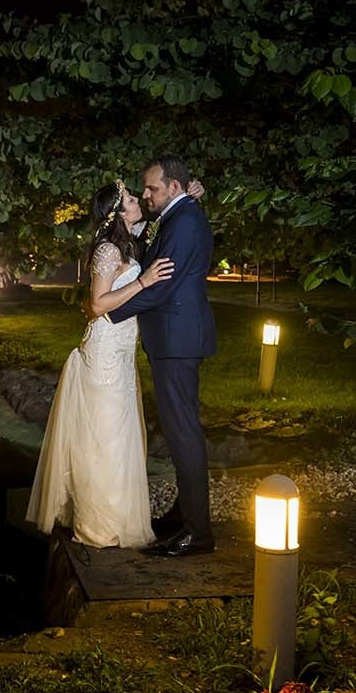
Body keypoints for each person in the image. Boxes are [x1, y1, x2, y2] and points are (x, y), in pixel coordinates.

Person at [25, 181, 175, 548]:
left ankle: (121, 523)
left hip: (121, 356)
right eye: (128, 199)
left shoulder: (127, 241)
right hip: (104, 354)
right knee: (104, 442)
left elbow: (153, 225)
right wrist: (143, 282)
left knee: (121, 440)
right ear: (116, 214)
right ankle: (97, 529)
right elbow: (96, 305)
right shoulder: (108, 250)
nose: (137, 199)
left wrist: (190, 196)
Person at [107, 156, 218, 557]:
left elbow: (163, 284)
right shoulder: (178, 215)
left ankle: (197, 533)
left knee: (184, 435)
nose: (147, 194)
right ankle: (185, 517)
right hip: (173, 338)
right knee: (179, 434)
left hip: (177, 340)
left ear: (174, 187)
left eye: (152, 188)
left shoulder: (185, 220)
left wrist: (109, 313)